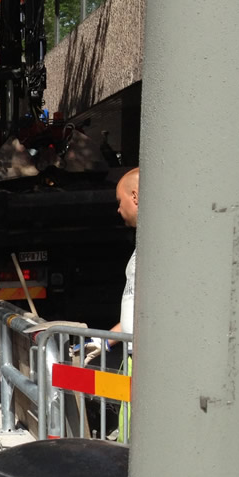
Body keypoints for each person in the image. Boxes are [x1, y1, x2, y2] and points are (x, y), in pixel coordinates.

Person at [110, 167, 139, 440]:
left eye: (120, 202)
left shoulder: (159, 246)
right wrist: (107, 340)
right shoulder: (142, 244)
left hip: (141, 361)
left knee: (132, 440)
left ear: (136, 196)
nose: (118, 210)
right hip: (131, 356)